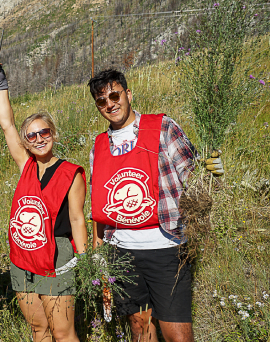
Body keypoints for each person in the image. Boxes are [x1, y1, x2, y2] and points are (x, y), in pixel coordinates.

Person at [87, 69, 223, 342]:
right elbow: (99, 206)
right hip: (121, 252)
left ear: (128, 94)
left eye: (115, 95)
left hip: (166, 249)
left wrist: (215, 175)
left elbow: (196, 177)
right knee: (139, 328)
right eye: (102, 101)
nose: (110, 104)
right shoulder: (99, 146)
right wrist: (98, 251)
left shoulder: (162, 127)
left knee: (177, 334)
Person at [0, 63, 88, 342]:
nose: (38, 139)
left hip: (57, 254)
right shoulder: (26, 165)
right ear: (26, 142)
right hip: (24, 254)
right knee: (39, 330)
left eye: (44, 132)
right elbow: (6, 123)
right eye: (31, 136)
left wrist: (85, 263)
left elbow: (78, 219)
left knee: (62, 331)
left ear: (53, 134)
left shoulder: (71, 173)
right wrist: (1, 86)